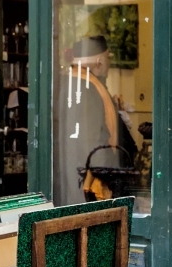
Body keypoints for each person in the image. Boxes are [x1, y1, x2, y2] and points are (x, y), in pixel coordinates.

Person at [55, 35, 137, 205]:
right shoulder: (86, 90)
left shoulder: (71, 83)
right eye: (108, 58)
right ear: (99, 62)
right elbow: (91, 142)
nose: (109, 63)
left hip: (75, 175)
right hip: (89, 183)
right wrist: (105, 175)